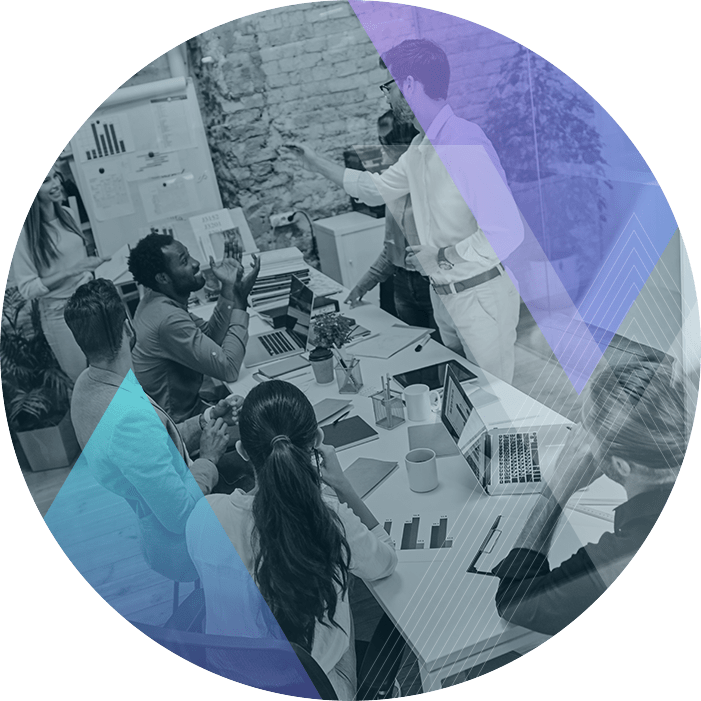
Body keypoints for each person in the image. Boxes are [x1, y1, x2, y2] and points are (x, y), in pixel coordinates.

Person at [286, 39, 524, 383]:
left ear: (409, 85)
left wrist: (440, 257)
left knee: (495, 399)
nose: (386, 97)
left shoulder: (464, 142)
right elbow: (374, 190)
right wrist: (315, 162)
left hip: (480, 296)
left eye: (388, 87)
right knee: (463, 396)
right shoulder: (419, 147)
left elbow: (506, 232)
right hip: (445, 298)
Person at [186, 380, 397, 700]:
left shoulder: (205, 516)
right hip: (321, 687)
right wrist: (342, 485)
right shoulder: (328, 517)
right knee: (348, 588)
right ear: (318, 441)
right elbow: (386, 561)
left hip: (234, 679)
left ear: (242, 451)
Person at [492, 359, 689, 635]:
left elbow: (515, 603)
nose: (578, 437)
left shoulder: (629, 550)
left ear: (621, 465)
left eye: (588, 431)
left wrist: (558, 487)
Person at [65, 278, 239, 582]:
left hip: (161, 515)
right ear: (128, 328)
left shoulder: (88, 384)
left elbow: (155, 442)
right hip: (185, 544)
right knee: (270, 480)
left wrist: (206, 418)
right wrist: (209, 458)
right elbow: (180, 516)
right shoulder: (126, 418)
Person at [127, 232, 260, 423]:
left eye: (189, 255)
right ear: (163, 277)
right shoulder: (167, 319)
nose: (196, 263)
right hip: (177, 426)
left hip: (185, 408)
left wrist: (228, 287)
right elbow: (229, 369)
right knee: (262, 422)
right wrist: (240, 302)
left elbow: (210, 337)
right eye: (184, 261)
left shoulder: (155, 300)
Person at [345, 111, 440, 341]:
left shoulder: (435, 182)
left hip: (433, 283)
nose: (383, 149)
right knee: (414, 352)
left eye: (388, 142)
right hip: (402, 283)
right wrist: (361, 286)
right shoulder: (391, 187)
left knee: (445, 353)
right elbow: (392, 251)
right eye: (380, 141)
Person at [12, 167, 105, 381]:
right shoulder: (25, 233)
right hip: (60, 314)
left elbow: (78, 262)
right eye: (46, 181)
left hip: (90, 302)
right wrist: (70, 271)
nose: (55, 184)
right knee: (85, 380)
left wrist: (90, 266)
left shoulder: (68, 214)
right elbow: (28, 289)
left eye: (55, 177)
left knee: (109, 372)